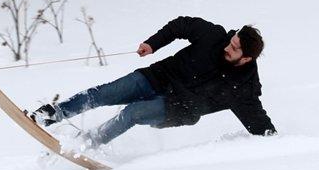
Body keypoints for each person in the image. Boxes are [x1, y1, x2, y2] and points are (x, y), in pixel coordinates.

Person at [30, 16, 276, 148]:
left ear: (245, 59)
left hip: (179, 108)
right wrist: (153, 43)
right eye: (231, 41)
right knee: (102, 94)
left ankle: (86, 143)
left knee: (131, 113)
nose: (227, 47)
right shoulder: (214, 35)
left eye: (234, 50)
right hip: (157, 77)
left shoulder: (242, 86)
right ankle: (50, 115)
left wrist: (276, 143)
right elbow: (181, 25)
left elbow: (257, 120)